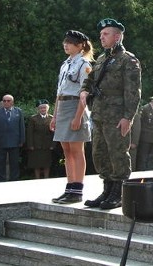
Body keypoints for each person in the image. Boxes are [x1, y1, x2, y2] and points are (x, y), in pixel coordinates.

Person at [81, 18, 141, 210]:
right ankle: (107, 190)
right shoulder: (100, 59)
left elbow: (133, 92)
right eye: (100, 35)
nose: (101, 38)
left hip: (116, 116)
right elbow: (90, 81)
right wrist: (84, 90)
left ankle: (119, 192)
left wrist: (128, 117)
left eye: (105, 34)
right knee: (99, 153)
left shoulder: (128, 60)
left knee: (118, 153)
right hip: (98, 114)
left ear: (117, 36)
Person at [50, 30, 94, 204]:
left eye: (70, 42)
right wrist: (54, 115)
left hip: (76, 106)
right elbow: (59, 93)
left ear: (80, 45)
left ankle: (77, 190)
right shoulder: (65, 64)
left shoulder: (84, 64)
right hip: (63, 106)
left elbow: (85, 93)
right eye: (65, 42)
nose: (65, 45)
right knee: (66, 150)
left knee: (76, 150)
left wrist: (78, 117)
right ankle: (69, 188)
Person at [0, 94, 25, 182]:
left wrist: (22, 140)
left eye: (8, 101)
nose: (6, 102)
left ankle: (14, 179)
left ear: (12, 102)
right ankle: (0, 180)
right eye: (4, 101)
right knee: (0, 162)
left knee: (14, 162)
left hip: (15, 142)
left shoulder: (18, 112)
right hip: (1, 142)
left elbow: (21, 127)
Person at [26, 99, 55, 179]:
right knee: (36, 164)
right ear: (38, 109)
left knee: (47, 163)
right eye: (41, 108)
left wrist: (53, 144)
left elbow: (54, 133)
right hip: (36, 145)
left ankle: (46, 178)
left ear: (47, 109)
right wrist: (30, 145)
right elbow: (29, 133)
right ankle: (37, 178)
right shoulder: (33, 119)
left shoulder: (51, 118)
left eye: (44, 108)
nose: (43, 109)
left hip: (47, 145)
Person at [136, 94, 153, 171]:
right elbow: (139, 123)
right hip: (144, 138)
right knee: (143, 157)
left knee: (151, 157)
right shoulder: (145, 109)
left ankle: (149, 172)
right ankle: (141, 172)